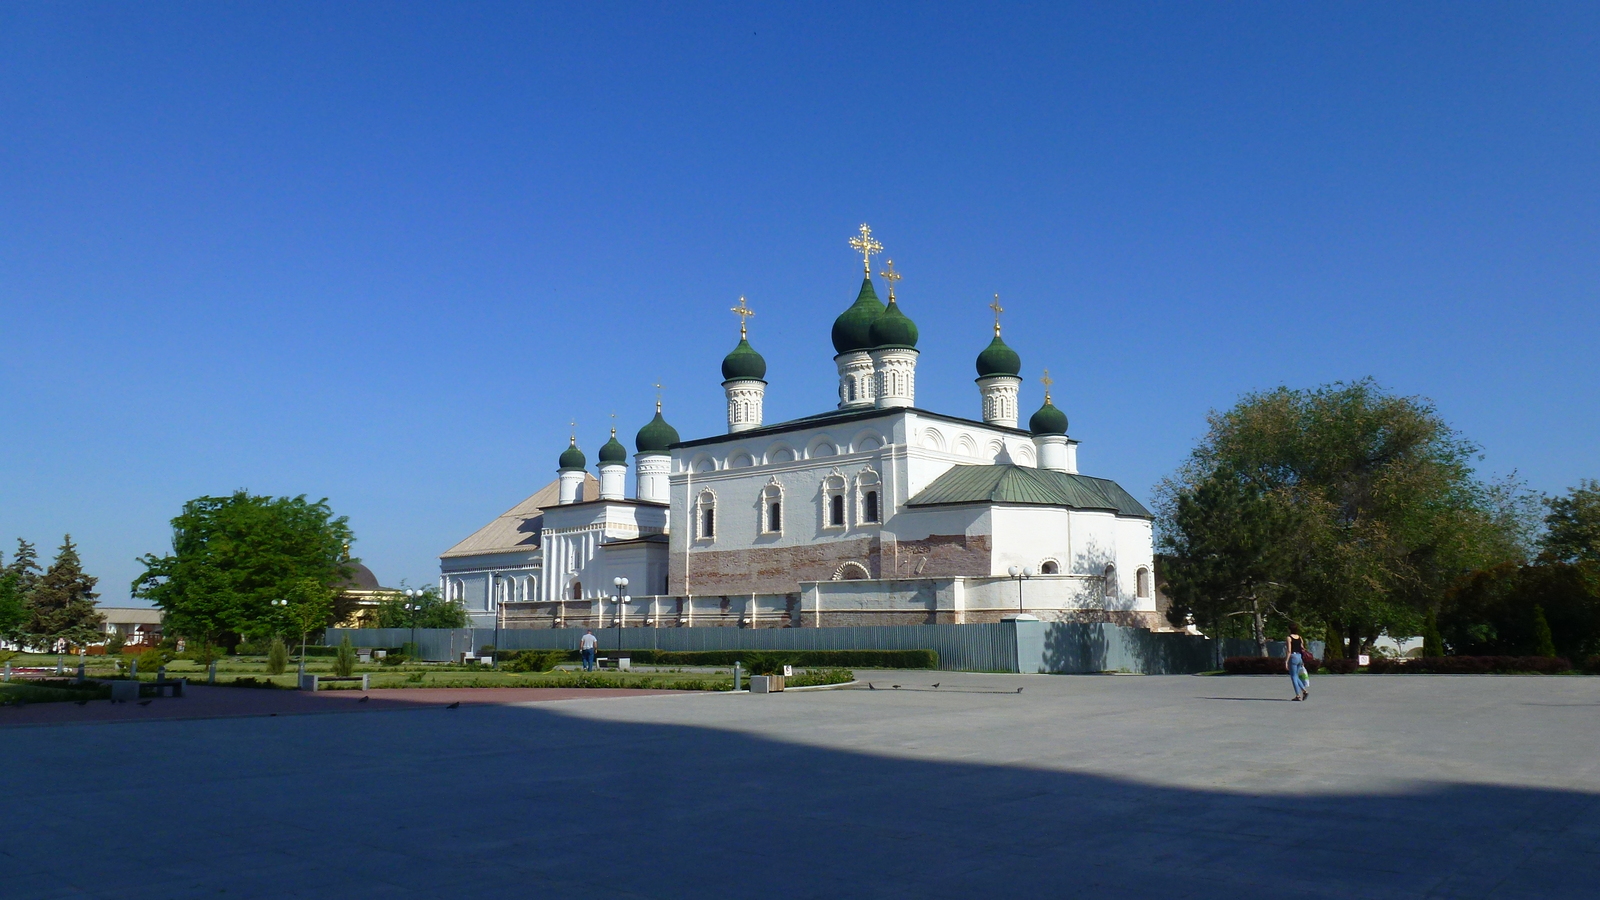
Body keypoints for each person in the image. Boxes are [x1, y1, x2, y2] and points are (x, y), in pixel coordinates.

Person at [1287, 626, 1310, 701]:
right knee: (1296, 676)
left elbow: (1289, 650)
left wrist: (1286, 661)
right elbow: (1302, 648)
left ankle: (1298, 695)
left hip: (1293, 657)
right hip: (1299, 657)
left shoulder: (1289, 638)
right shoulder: (1300, 637)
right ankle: (1304, 691)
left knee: (1293, 676)